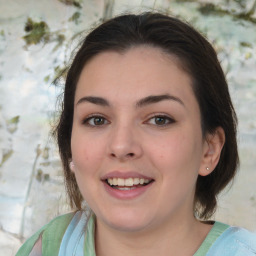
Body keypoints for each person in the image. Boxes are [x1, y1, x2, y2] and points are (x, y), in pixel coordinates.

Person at [16, 12, 256, 256]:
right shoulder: (46, 248)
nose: (121, 146)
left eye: (159, 119)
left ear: (209, 149)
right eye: (97, 120)